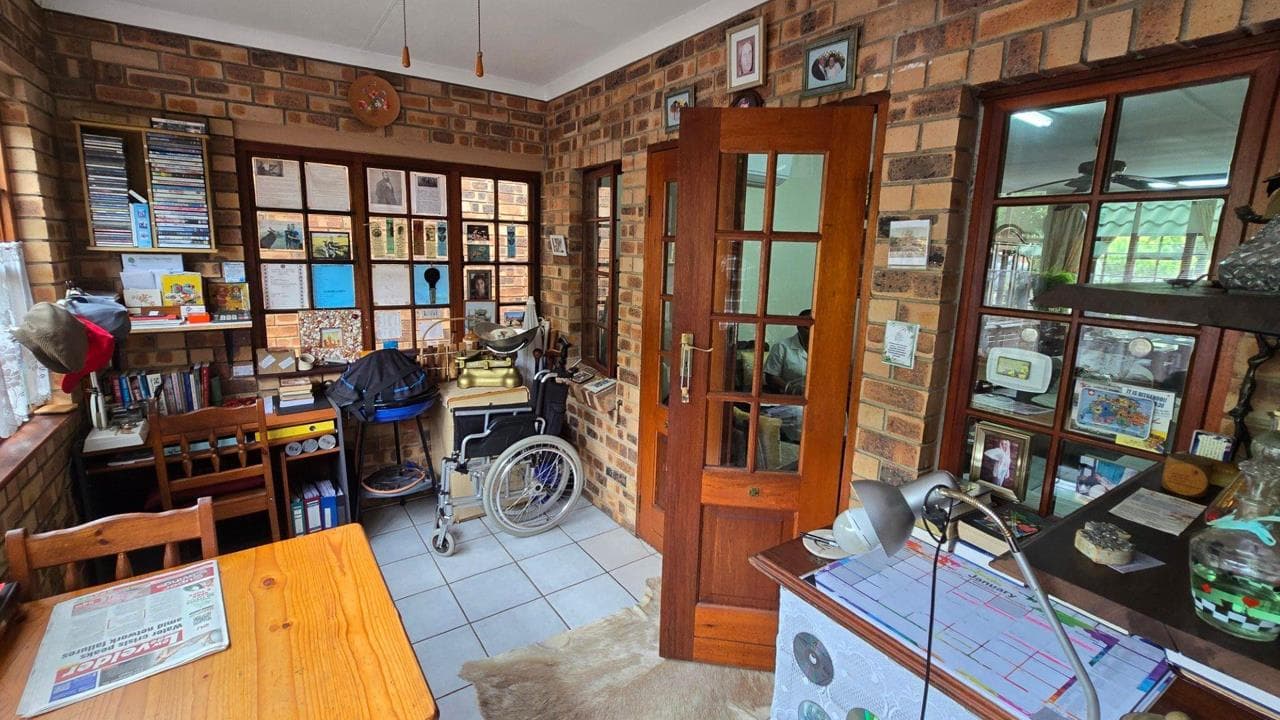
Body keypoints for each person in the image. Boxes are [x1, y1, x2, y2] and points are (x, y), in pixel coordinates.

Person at [762, 310, 810, 441]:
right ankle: (798, 447)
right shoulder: (782, 347)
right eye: (806, 328)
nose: (811, 331)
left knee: (837, 413)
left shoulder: (823, 349)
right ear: (798, 327)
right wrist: (791, 389)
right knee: (801, 413)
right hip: (787, 399)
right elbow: (770, 377)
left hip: (814, 398)